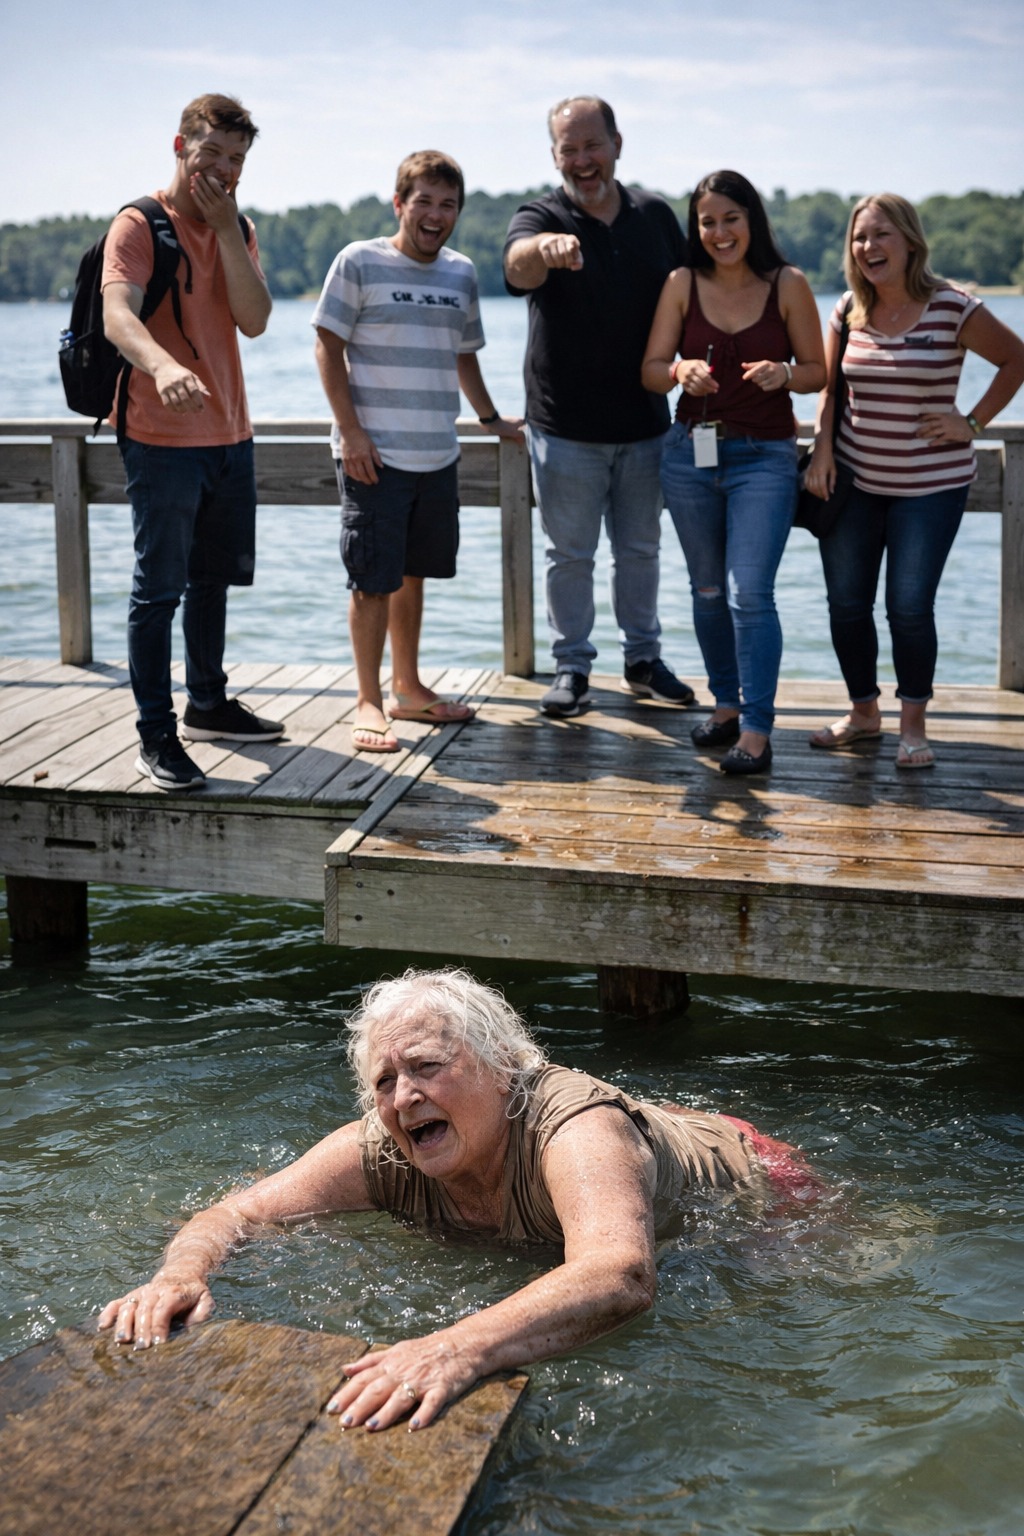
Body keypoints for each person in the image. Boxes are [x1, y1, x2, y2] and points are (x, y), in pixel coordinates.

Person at [97, 968, 817, 1431]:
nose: (404, 1097)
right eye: (384, 1081)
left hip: (763, 1178)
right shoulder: (386, 1147)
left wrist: (452, 1349)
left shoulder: (574, 1129)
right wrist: (179, 1275)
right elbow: (236, 1211)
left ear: (502, 1069)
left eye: (427, 1067)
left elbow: (621, 1273)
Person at [102, 94, 283, 792]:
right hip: (160, 437)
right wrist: (164, 366)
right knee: (159, 591)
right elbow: (118, 315)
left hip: (230, 432)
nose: (225, 169)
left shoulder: (238, 227)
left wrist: (228, 231)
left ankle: (208, 704)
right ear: (180, 146)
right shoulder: (138, 223)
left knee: (213, 579)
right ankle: (156, 735)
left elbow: (255, 320)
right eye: (213, 153)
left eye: (237, 158)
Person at [803, 194, 1024, 768]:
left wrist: (971, 423)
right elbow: (829, 389)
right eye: (860, 237)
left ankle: (913, 725)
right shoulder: (848, 308)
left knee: (907, 607)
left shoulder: (953, 307)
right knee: (846, 604)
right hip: (853, 484)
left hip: (930, 489)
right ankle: (863, 714)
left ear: (909, 241)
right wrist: (822, 452)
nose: (868, 247)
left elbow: (1017, 359)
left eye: (881, 235)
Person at [314, 152, 523, 754]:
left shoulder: (461, 273)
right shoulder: (359, 260)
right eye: (424, 201)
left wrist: (490, 418)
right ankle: (368, 701)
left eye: (447, 204)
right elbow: (326, 346)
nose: (436, 215)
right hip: (372, 455)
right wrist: (350, 432)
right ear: (399, 203)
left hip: (437, 453)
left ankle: (407, 688)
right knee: (371, 581)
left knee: (413, 572)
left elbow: (464, 355)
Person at [503, 97, 695, 718]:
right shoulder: (539, 215)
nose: (582, 160)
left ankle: (643, 660)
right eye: (569, 149)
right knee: (570, 555)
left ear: (617, 144)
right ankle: (572, 667)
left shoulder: (655, 214)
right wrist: (544, 249)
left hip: (646, 422)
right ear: (554, 155)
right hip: (564, 428)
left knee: (640, 551)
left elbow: (696, 295)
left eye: (593, 145)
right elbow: (516, 269)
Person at [641, 170, 826, 775]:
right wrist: (679, 371)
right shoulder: (681, 283)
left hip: (764, 459)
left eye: (731, 219)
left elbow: (818, 371)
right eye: (708, 222)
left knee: (750, 592)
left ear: (752, 221)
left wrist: (785, 373)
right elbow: (651, 369)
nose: (720, 232)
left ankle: (756, 729)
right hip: (689, 456)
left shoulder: (788, 283)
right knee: (707, 590)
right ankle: (725, 705)